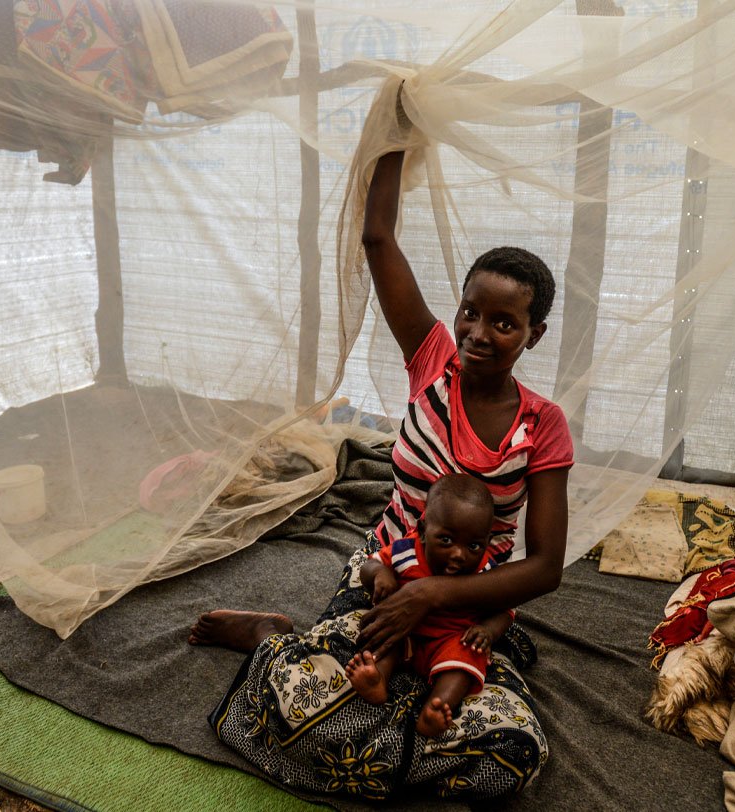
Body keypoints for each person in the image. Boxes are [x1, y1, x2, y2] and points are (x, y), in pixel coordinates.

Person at [189, 147, 573, 800]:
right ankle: (271, 635)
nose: (479, 333)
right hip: (387, 573)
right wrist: (397, 129)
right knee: (311, 702)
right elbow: (378, 237)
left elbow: (544, 568)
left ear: (533, 336)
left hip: (472, 597)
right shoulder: (432, 364)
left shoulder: (543, 425)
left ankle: (368, 681)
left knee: (511, 754)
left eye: (504, 324)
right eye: (470, 313)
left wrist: (439, 599)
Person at [345, 474, 517, 737]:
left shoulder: (484, 569)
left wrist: (488, 631)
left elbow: (505, 610)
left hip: (451, 640)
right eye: (446, 540)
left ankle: (438, 707)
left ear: (486, 541)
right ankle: (377, 678)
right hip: (406, 632)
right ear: (424, 531)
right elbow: (370, 564)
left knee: (467, 657)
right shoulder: (406, 551)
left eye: (473, 545)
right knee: (383, 637)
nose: (459, 555)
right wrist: (382, 575)